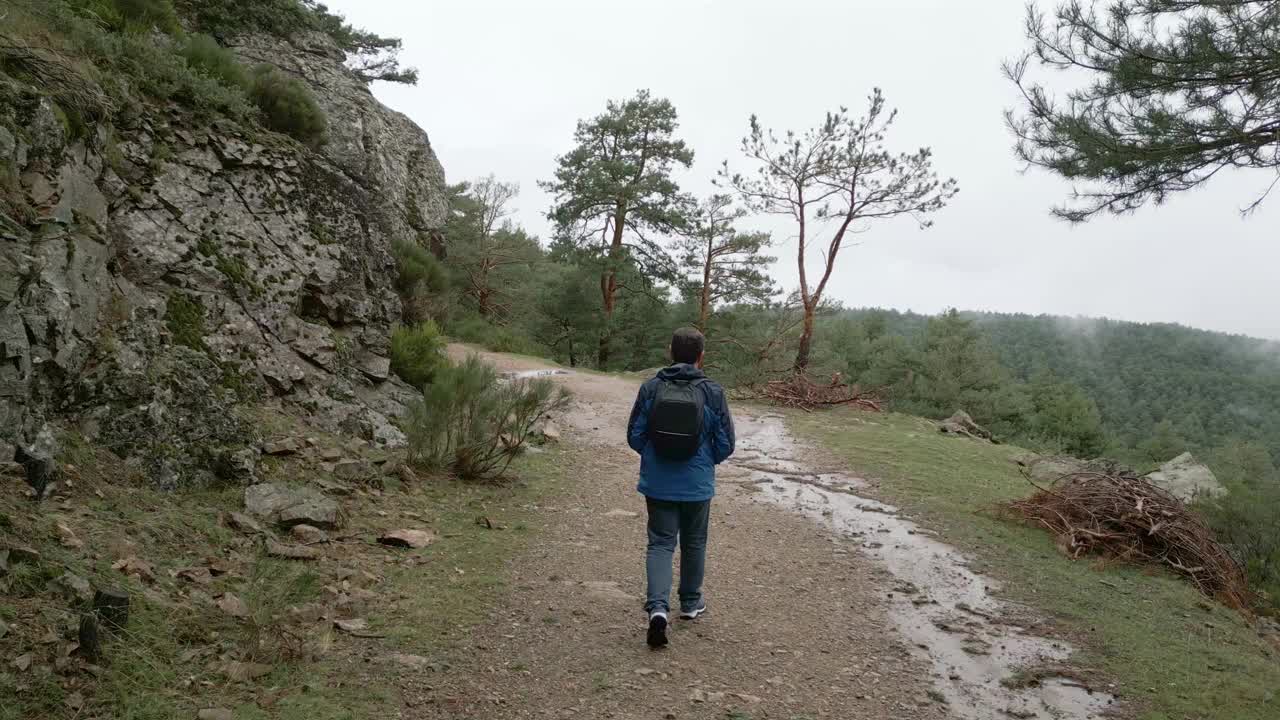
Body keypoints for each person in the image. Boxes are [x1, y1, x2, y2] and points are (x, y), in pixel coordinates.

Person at [626, 327, 735, 648]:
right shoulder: (713, 392)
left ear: (670, 352)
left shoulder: (650, 388)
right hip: (697, 484)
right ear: (701, 356)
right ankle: (690, 603)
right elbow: (726, 443)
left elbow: (634, 435)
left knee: (660, 544)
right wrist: (704, 462)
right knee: (694, 541)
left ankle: (657, 610)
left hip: (658, 483)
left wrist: (654, 456)